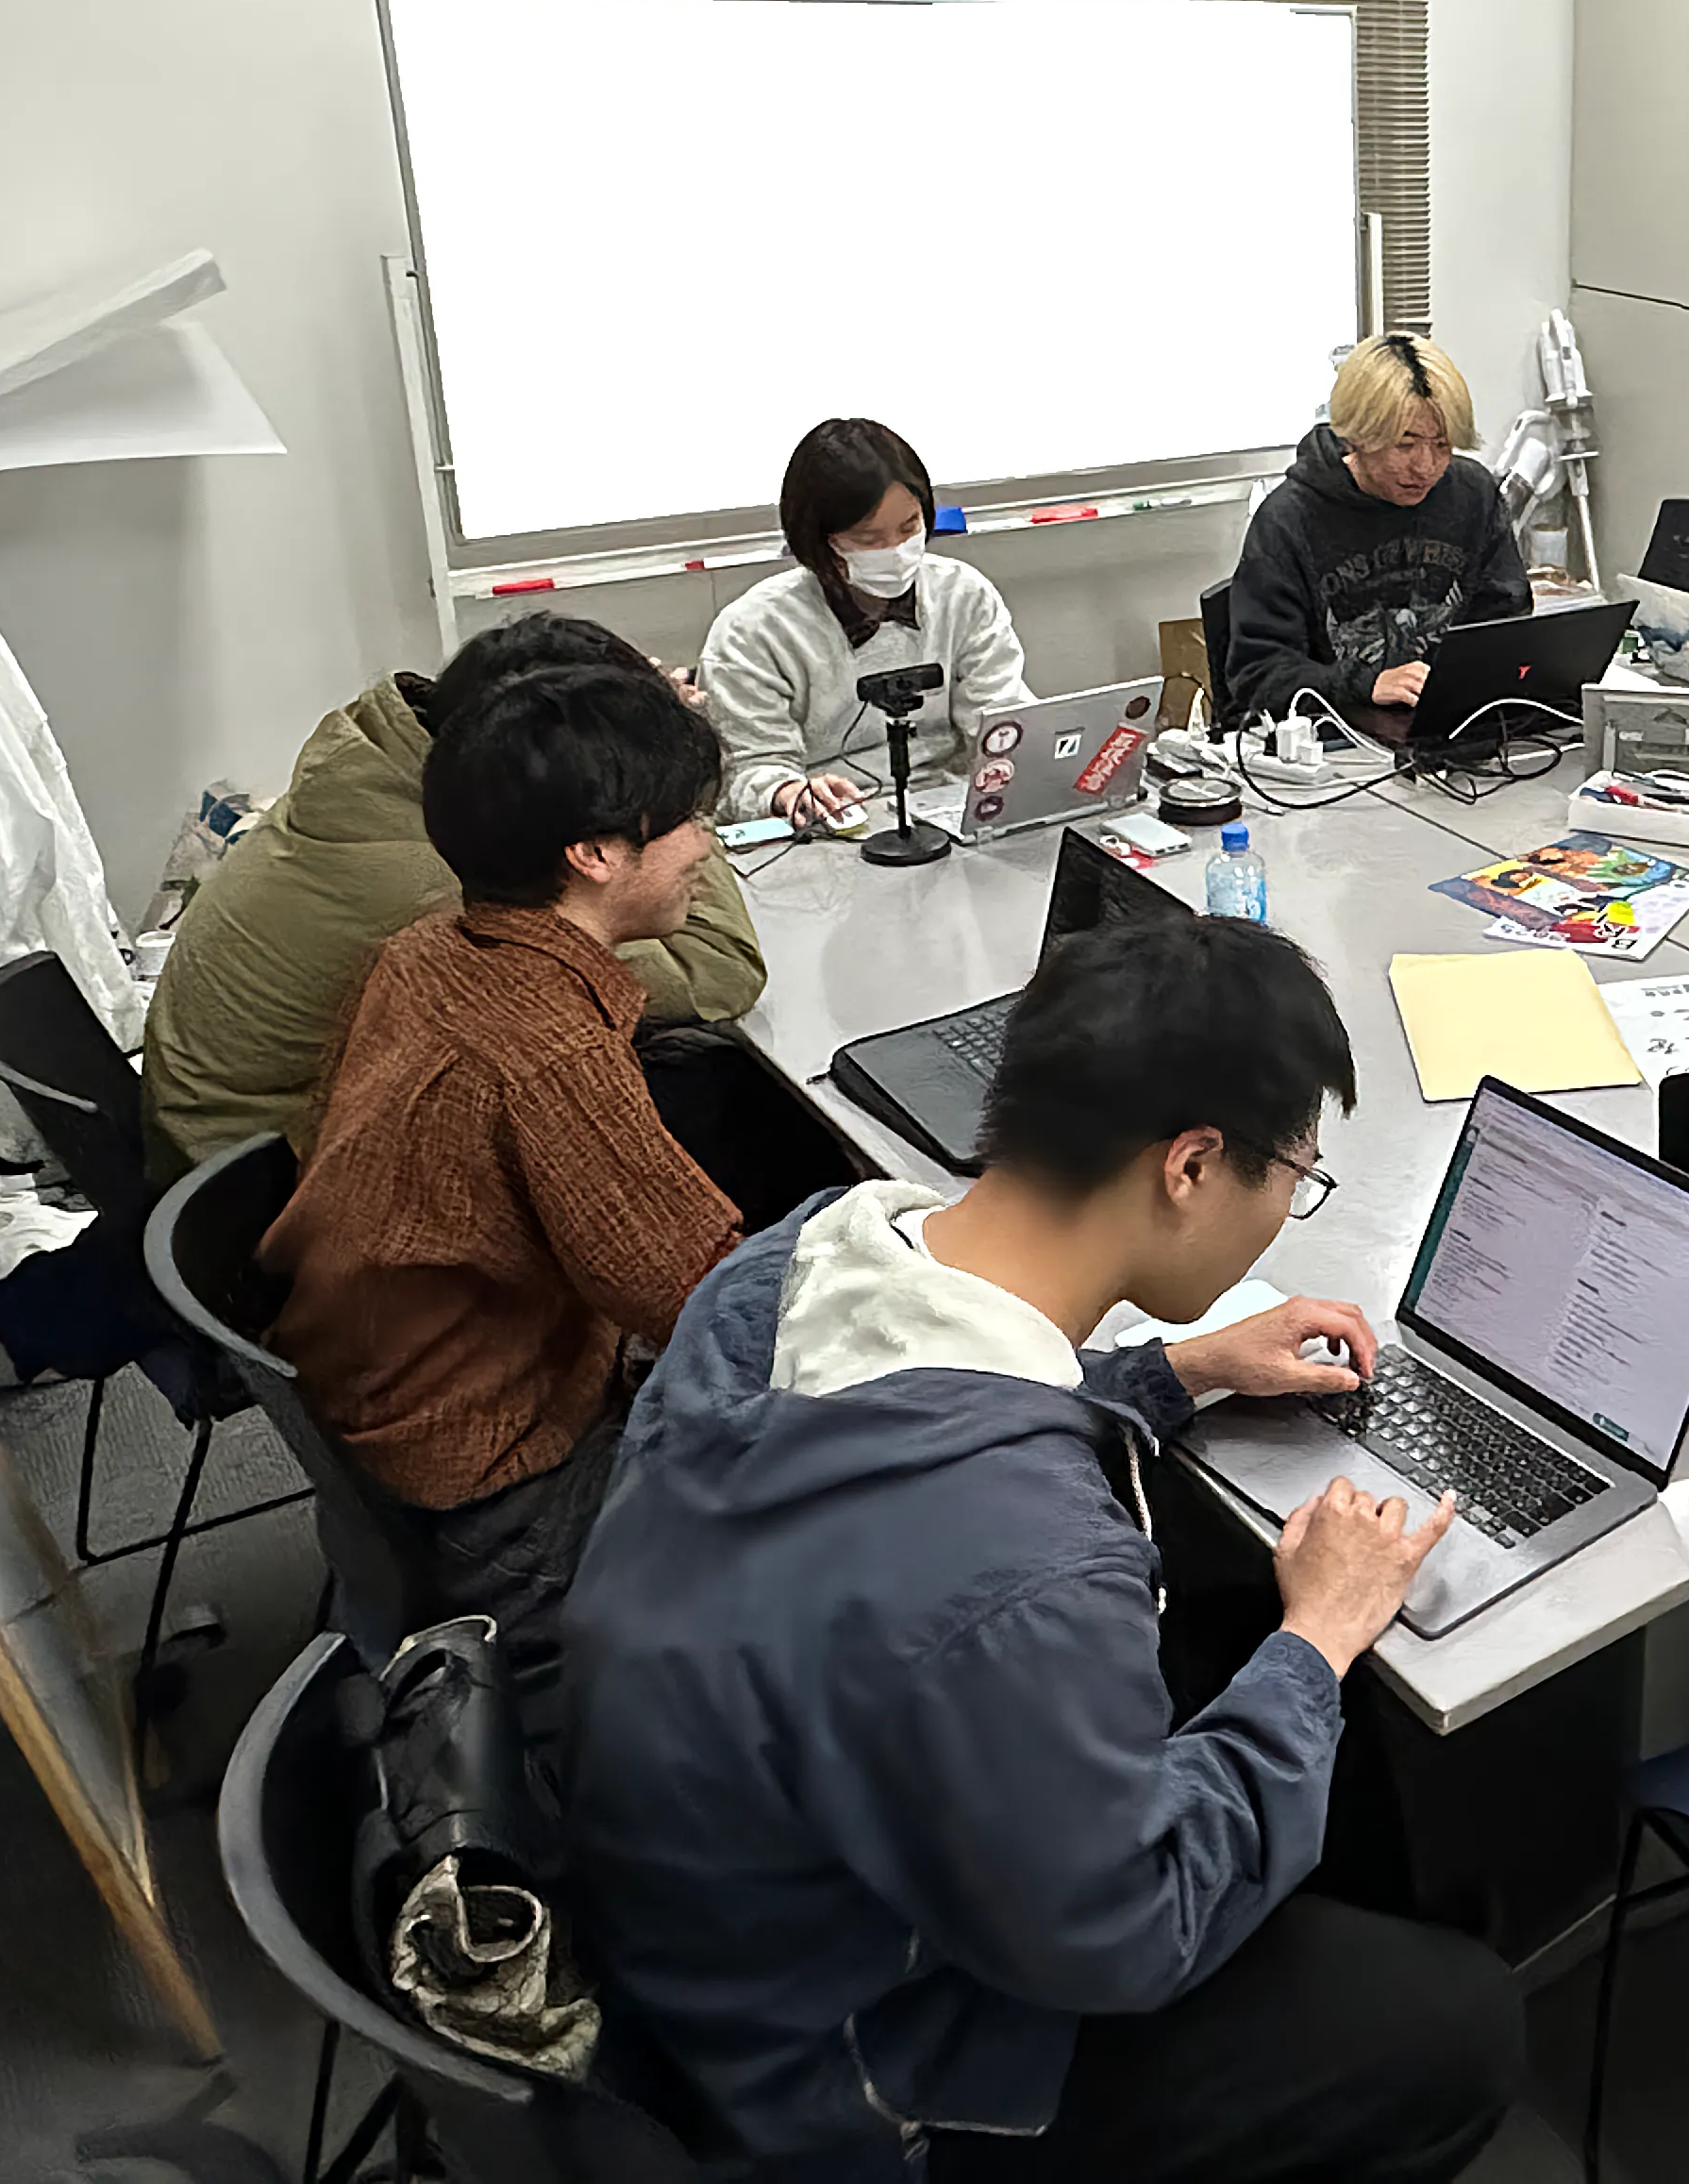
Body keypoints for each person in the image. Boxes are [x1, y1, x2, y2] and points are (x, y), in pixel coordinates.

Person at [562, 916, 1521, 2184]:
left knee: (1242, 1661)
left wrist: (1169, 1372)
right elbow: (1128, 1934)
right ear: (1191, 1165)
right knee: (1456, 2023)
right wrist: (1320, 1636)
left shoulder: (796, 1258)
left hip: (700, 1913)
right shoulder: (1025, 1568)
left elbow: (912, 1404)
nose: (1291, 1206)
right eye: (1295, 1171)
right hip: (837, 2073)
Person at [258, 660, 743, 1659]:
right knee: (871, 1492)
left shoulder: (430, 949)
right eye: (688, 820)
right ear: (597, 853)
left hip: (404, 1443)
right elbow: (702, 1304)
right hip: (512, 1520)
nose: (706, 843)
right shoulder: (545, 1051)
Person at [141, 613, 765, 1182]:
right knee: (714, 1088)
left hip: (216, 1148)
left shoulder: (373, 763)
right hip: (270, 1197)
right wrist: (667, 781)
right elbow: (716, 968)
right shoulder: (448, 879)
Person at [703, 417, 1029, 829]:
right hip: (831, 826)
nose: (895, 550)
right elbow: (747, 771)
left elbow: (1002, 721)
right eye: (868, 539)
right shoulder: (752, 632)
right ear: (817, 542)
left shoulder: (963, 595)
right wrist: (789, 793)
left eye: (909, 526)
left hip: (947, 808)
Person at [1224, 334, 1530, 731]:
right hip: (1336, 744)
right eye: (1405, 444)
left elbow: (1507, 624)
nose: (1425, 467)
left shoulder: (1473, 495)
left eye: (1442, 445)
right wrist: (1365, 684)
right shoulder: (1289, 519)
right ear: (1357, 436)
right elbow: (1257, 674)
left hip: (1451, 726)